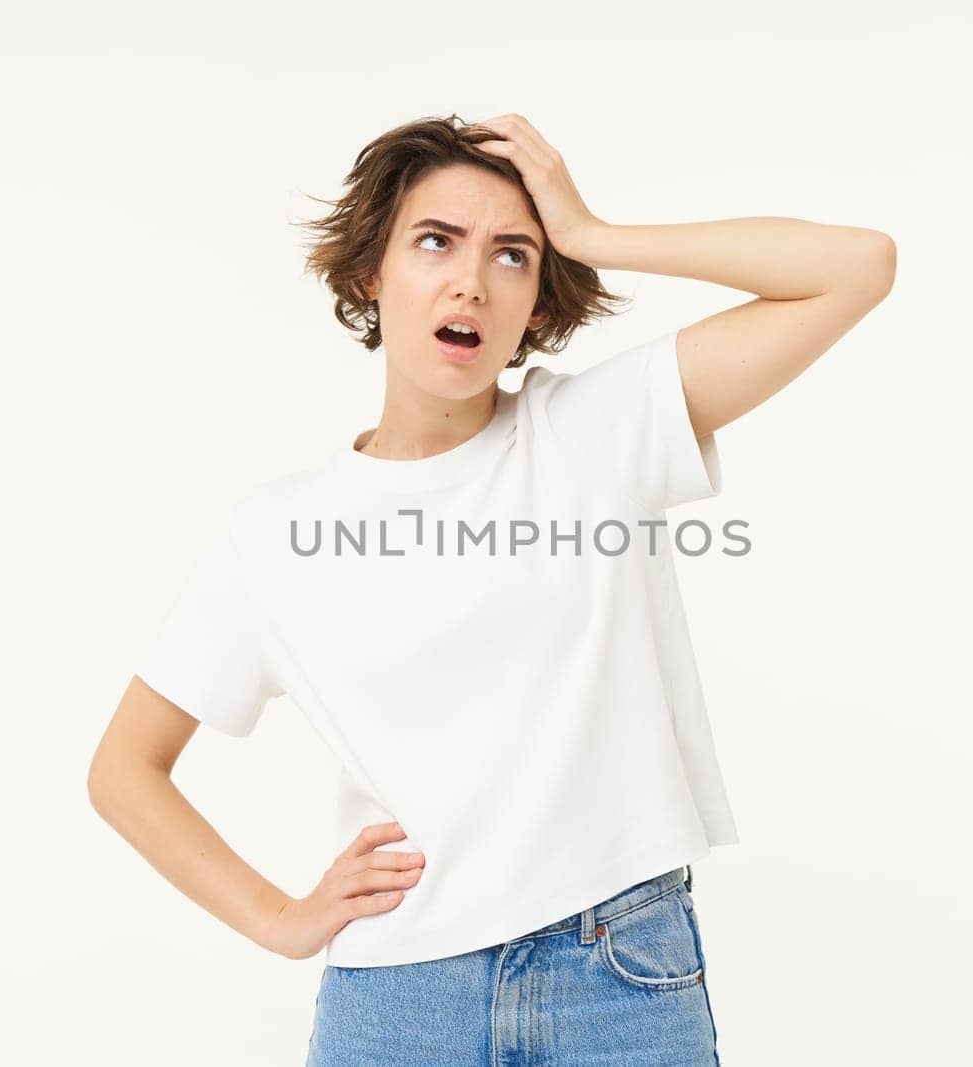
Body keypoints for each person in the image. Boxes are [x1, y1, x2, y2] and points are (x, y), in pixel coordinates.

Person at [87, 112, 896, 1065]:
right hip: (398, 999)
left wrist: (592, 235)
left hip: (620, 976)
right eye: (435, 242)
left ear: (538, 308)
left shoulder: (592, 433)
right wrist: (280, 919)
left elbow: (858, 266)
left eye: (513, 255)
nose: (471, 278)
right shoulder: (273, 534)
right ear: (367, 276)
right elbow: (124, 770)